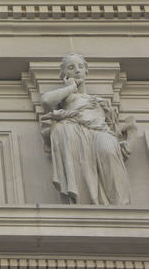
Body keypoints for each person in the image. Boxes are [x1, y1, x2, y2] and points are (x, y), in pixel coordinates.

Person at [40, 53, 130, 205]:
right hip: (76, 130)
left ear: (86, 71)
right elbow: (47, 100)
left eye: (80, 67)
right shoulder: (66, 96)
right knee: (83, 166)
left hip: (99, 131)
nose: (77, 70)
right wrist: (71, 87)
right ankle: (90, 200)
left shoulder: (97, 100)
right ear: (64, 74)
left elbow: (114, 127)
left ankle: (118, 203)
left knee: (108, 151)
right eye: (71, 67)